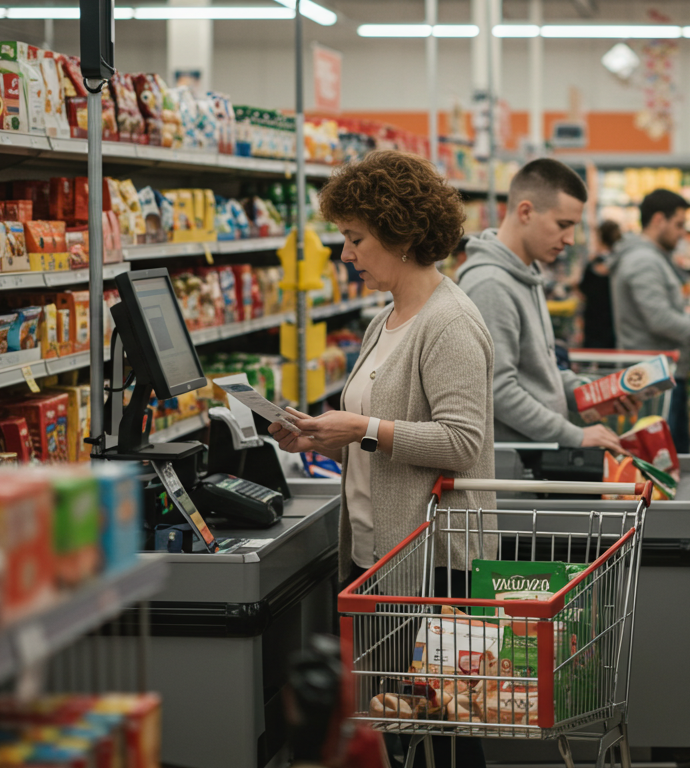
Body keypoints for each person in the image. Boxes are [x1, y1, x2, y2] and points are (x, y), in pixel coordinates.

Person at [267, 149, 496, 768]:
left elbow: (461, 441)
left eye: (355, 238)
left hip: (435, 565)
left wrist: (364, 426)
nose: (346, 254)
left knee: (442, 734)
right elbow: (375, 431)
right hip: (380, 556)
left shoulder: (449, 322)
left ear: (401, 234)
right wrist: (317, 436)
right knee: (393, 724)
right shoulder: (385, 319)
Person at [457, 158, 634, 452]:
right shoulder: (490, 285)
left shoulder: (527, 272)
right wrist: (574, 435)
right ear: (526, 212)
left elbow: (540, 372)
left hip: (536, 455)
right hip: (514, 471)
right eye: (563, 225)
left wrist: (593, 394)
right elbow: (497, 390)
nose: (569, 239)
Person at [611, 188, 690, 453]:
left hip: (660, 373)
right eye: (678, 224)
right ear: (657, 221)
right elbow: (660, 319)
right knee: (662, 459)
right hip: (654, 379)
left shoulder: (653, 258)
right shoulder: (643, 261)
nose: (682, 232)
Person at [579, 220, 621, 350]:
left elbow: (583, 290)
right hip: (614, 322)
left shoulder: (592, 264)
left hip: (593, 322)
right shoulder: (619, 264)